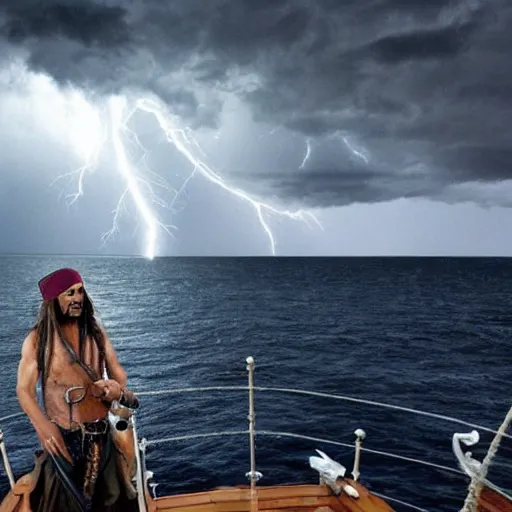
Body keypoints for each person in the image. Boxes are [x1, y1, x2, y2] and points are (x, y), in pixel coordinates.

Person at [15, 267, 141, 512]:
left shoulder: (95, 331)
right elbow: (23, 390)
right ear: (54, 300)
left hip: (102, 435)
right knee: (66, 505)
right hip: (66, 438)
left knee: (113, 502)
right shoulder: (37, 340)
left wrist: (113, 389)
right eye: (69, 293)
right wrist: (45, 428)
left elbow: (119, 375)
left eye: (80, 291)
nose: (77, 298)